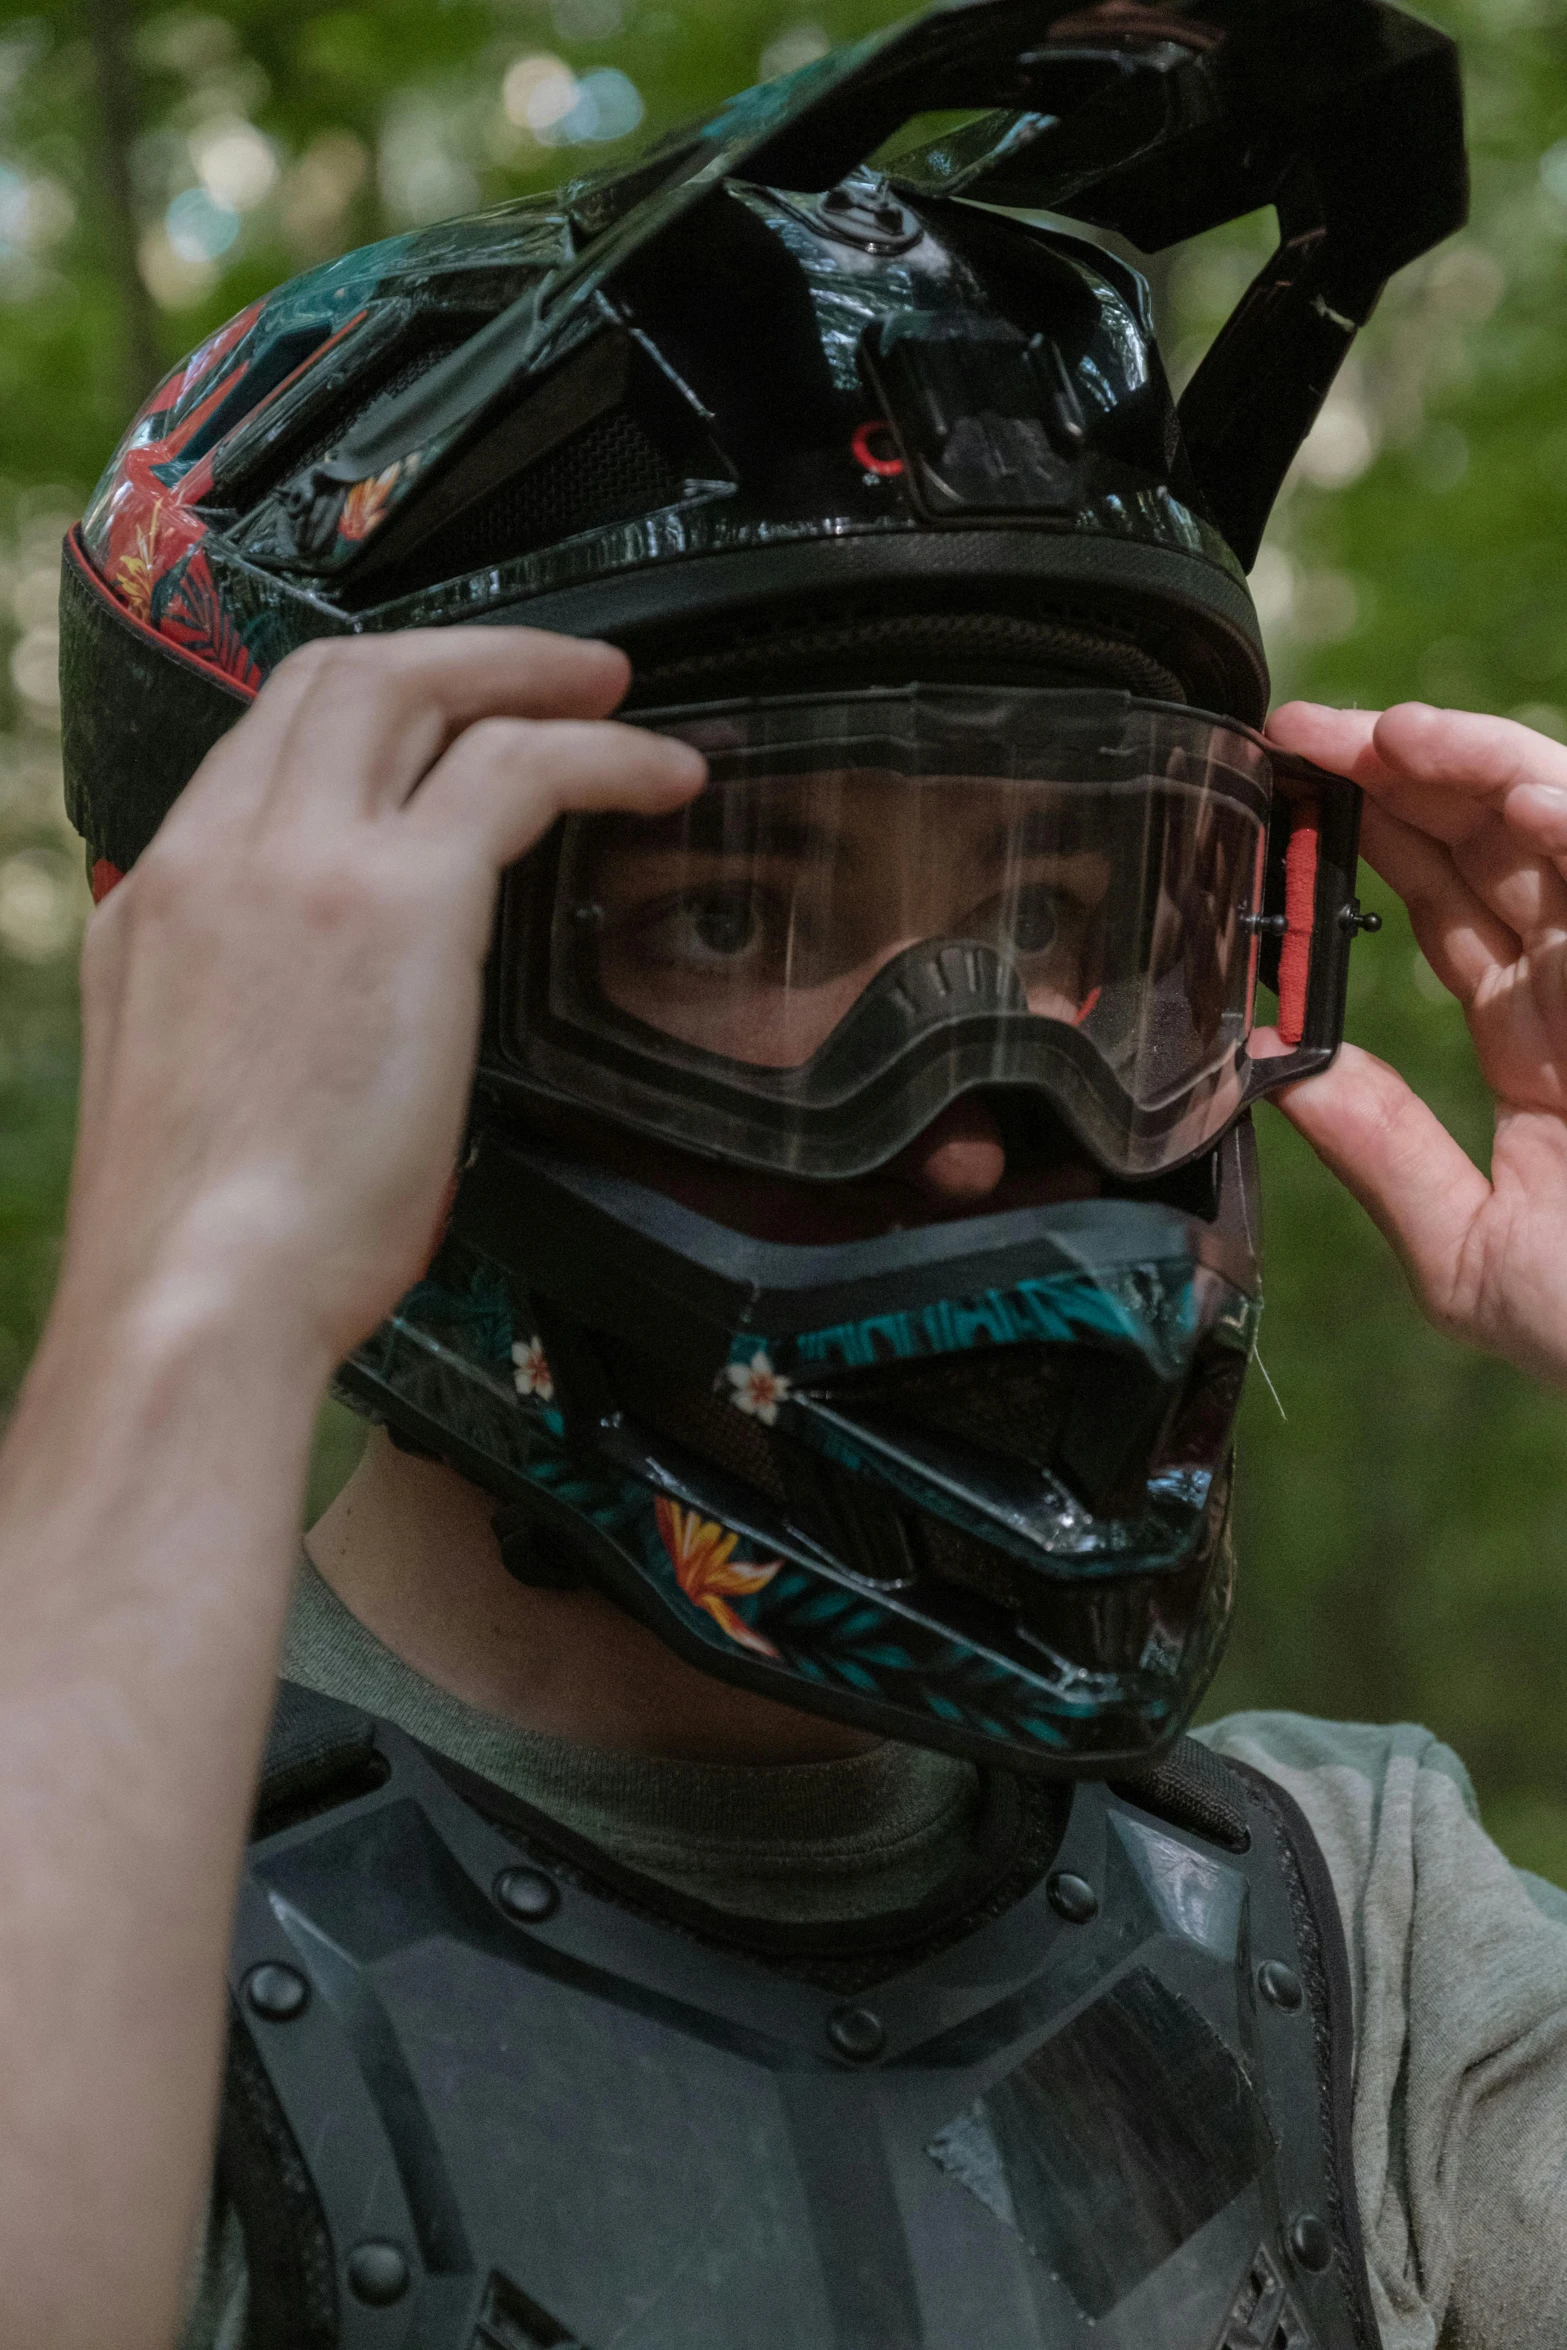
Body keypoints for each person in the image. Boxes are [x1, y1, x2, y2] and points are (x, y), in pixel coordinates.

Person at [6, 0, 1567, 2344]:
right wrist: (193, 1287)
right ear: (314, 966)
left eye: (1072, 923)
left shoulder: (1356, 1933)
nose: (988, 1094)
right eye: (745, 912)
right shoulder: (96, 1917)